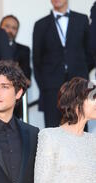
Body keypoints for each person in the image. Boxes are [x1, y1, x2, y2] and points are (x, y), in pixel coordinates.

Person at [33, 0, 93, 128]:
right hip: (51, 88)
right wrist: (45, 86)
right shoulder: (40, 24)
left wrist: (81, 72)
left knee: (80, 127)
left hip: (79, 86)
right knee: (53, 129)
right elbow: (37, 60)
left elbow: (90, 52)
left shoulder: (82, 19)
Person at [0, 14, 31, 120]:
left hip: (15, 103)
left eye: (14, 28)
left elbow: (26, 79)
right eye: (7, 26)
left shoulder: (24, 50)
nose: (10, 30)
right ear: (0, 27)